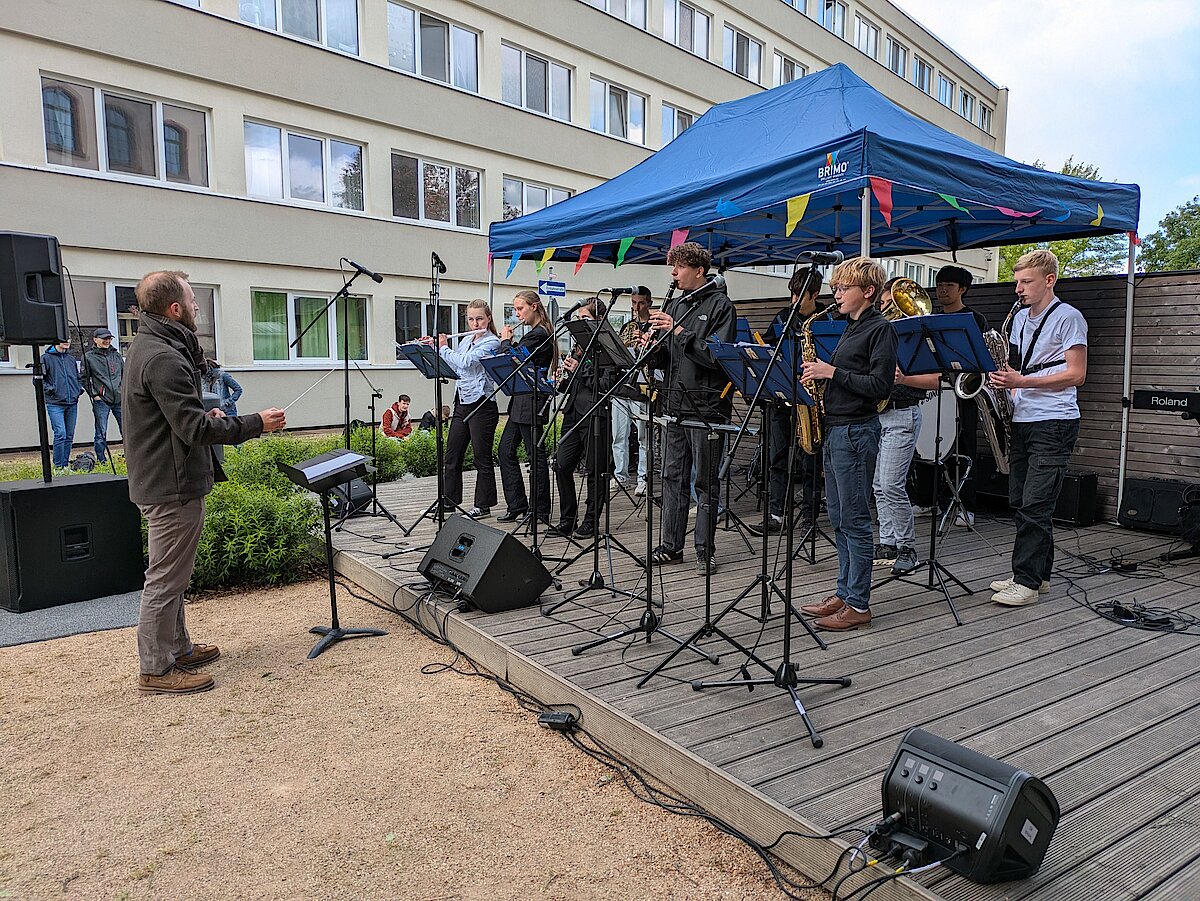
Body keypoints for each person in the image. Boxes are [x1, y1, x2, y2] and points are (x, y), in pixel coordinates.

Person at [124, 270, 286, 695]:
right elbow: (194, 430)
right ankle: (156, 669)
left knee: (174, 575)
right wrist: (256, 423)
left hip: (164, 477)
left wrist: (204, 415)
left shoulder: (151, 345)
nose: (198, 306)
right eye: (193, 300)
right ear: (175, 308)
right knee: (165, 578)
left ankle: (177, 648)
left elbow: (178, 419)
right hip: (171, 484)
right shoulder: (163, 358)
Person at [798, 257, 897, 631]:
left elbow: (880, 386)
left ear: (867, 291)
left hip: (856, 431)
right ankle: (844, 592)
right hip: (836, 429)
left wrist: (831, 372)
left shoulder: (880, 330)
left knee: (855, 520)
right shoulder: (850, 326)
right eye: (835, 288)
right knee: (839, 517)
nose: (836, 294)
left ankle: (858, 604)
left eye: (843, 288)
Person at [988, 249, 1087, 606]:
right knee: (1021, 500)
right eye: (1017, 281)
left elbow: (1076, 374)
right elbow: (1020, 365)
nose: (1018, 288)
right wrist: (1007, 384)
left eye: (1026, 281)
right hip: (1024, 416)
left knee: (1036, 504)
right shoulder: (1018, 319)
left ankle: (1026, 582)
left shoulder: (1069, 317)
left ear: (1049, 280)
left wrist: (1022, 381)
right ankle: (1038, 575)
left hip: (1054, 420)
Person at [641, 242, 736, 575]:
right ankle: (671, 546)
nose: (674, 274)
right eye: (673, 267)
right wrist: (652, 348)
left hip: (707, 407)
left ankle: (704, 550)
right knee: (671, 477)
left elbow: (715, 356)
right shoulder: (677, 304)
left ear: (699, 270)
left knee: (705, 483)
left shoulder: (721, 306)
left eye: (679, 267)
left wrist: (678, 331)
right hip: (674, 403)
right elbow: (669, 358)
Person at [748, 266, 826, 538]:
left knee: (810, 461)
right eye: (792, 294)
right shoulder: (784, 316)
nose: (794, 300)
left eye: (800, 295)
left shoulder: (826, 320)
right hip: (782, 396)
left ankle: (809, 519)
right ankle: (776, 514)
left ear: (815, 294)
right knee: (777, 457)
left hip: (811, 400)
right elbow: (767, 347)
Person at [872, 277, 939, 575]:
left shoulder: (915, 340)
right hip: (878, 414)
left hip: (902, 413)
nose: (885, 309)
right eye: (884, 304)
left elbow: (937, 380)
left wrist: (903, 378)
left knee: (891, 484)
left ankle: (906, 547)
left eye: (889, 304)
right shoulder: (878, 335)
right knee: (878, 485)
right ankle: (888, 542)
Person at [423, 299, 501, 518]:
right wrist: (433, 349)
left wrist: (444, 347)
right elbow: (454, 365)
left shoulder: (492, 342)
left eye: (479, 319)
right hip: (462, 402)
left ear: (488, 319)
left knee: (481, 457)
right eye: (471, 319)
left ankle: (483, 506)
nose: (475, 324)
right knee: (452, 455)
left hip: (482, 404)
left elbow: (466, 362)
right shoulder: (466, 340)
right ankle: (449, 501)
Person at [550, 296, 612, 538]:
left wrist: (580, 370)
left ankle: (591, 520)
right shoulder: (578, 345)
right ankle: (568, 518)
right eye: (578, 318)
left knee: (596, 470)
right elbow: (575, 384)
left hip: (595, 414)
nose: (579, 322)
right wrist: (562, 379)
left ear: (599, 319)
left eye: (584, 318)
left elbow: (606, 385)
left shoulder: (607, 346)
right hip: (573, 412)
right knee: (561, 464)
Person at [935, 265, 990, 526]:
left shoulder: (975, 319)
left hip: (964, 393)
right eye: (939, 285)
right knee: (934, 446)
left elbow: (982, 357)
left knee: (965, 447)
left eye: (949, 286)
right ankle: (931, 500)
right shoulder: (931, 319)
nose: (943, 290)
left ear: (963, 289)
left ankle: (966, 505)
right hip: (936, 390)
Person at [496, 290, 556, 525]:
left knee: (535, 456)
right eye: (515, 309)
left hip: (532, 401)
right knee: (505, 451)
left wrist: (505, 341)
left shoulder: (539, 334)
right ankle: (518, 504)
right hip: (521, 401)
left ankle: (539, 509)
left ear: (534, 307)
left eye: (520, 308)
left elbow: (511, 361)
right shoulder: (534, 333)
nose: (517, 314)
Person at [612, 287, 652, 496]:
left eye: (641, 303)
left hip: (642, 389)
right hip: (622, 387)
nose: (636, 307)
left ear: (649, 303)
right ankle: (621, 476)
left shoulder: (655, 326)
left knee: (644, 438)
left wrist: (644, 341)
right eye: (634, 303)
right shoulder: (627, 326)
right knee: (619, 436)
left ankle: (643, 478)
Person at [81, 327, 124, 465]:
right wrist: (94, 394)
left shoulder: (116, 355)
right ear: (95, 339)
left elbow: (124, 374)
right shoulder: (88, 357)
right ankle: (102, 460)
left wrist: (123, 390)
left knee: (126, 430)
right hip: (102, 400)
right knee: (101, 432)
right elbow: (84, 379)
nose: (107, 341)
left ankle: (130, 457)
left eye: (109, 338)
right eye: (104, 338)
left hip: (119, 398)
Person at [41, 339, 82, 470]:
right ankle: (58, 466)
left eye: (68, 339)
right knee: (60, 433)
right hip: (55, 403)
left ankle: (64, 465)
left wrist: (78, 390)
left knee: (69, 435)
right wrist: (51, 389)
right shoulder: (46, 358)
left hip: (72, 402)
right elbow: (39, 380)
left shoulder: (71, 359)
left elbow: (77, 377)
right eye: (64, 339)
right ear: (56, 341)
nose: (67, 342)